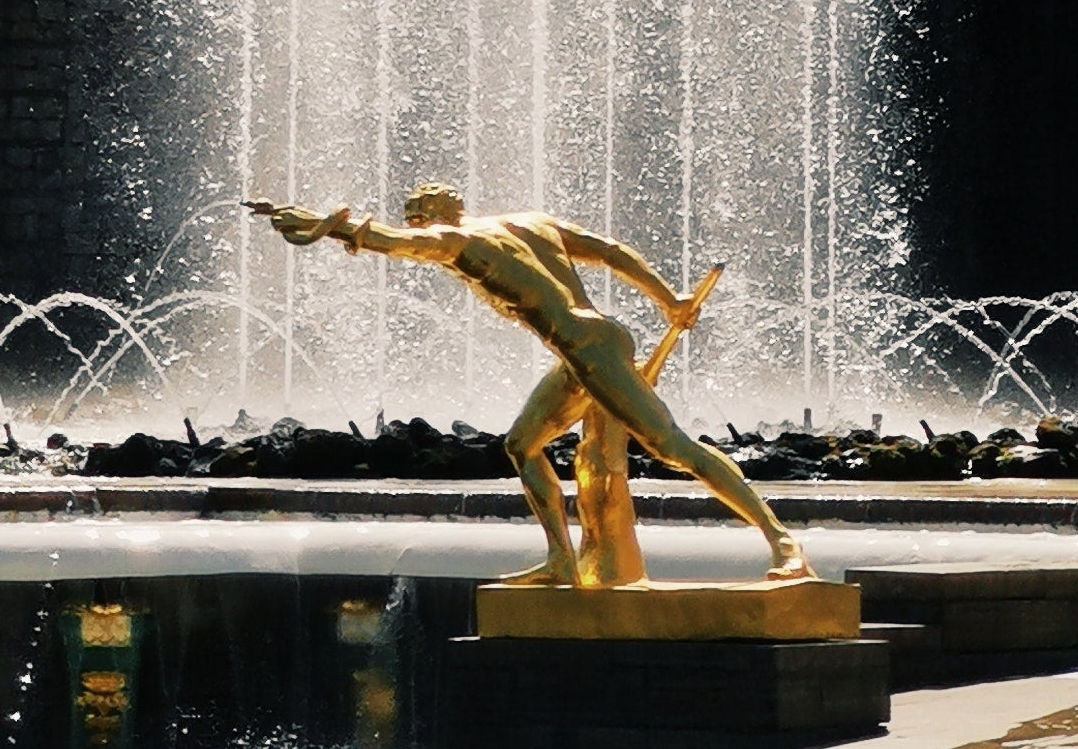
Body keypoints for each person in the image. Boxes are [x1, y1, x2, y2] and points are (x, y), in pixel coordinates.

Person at [252, 185, 815, 585]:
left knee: (672, 447)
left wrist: (335, 229)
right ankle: (562, 561)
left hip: (585, 349)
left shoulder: (453, 241)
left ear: (433, 218)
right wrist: (666, 299)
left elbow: (396, 243)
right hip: (587, 347)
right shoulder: (530, 223)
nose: (420, 227)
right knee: (522, 444)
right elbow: (613, 253)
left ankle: (784, 543)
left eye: (417, 217)